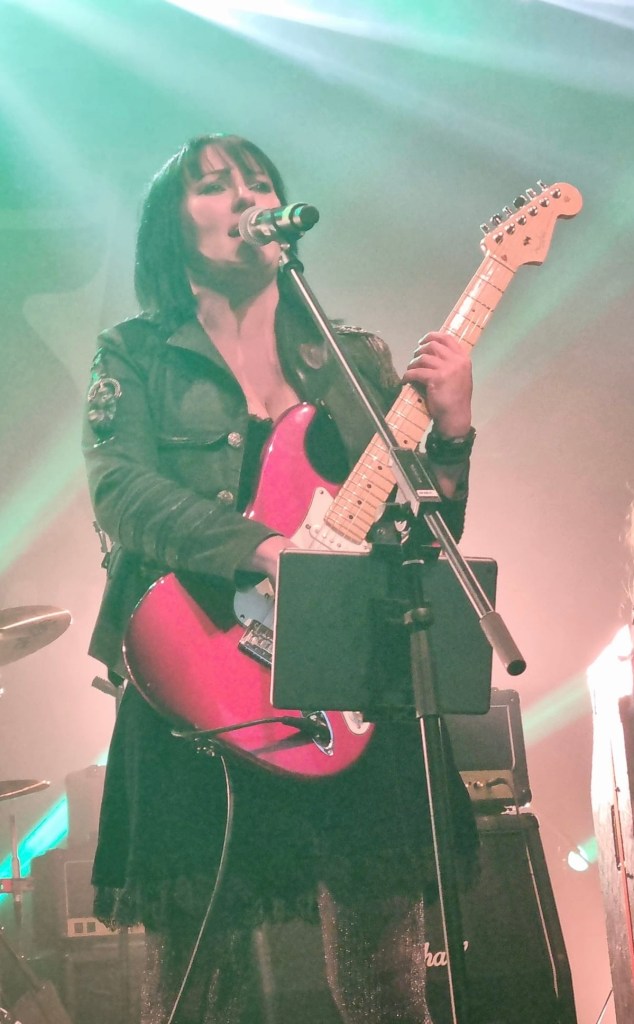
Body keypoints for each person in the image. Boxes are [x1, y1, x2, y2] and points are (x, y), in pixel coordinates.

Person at [83, 132, 478, 1024]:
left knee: (385, 983)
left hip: (343, 677)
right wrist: (260, 546)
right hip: (200, 670)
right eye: (213, 186)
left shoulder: (351, 360)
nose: (245, 197)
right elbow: (120, 490)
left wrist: (453, 435)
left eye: (259, 183)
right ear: (171, 224)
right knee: (197, 986)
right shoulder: (135, 354)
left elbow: (421, 535)